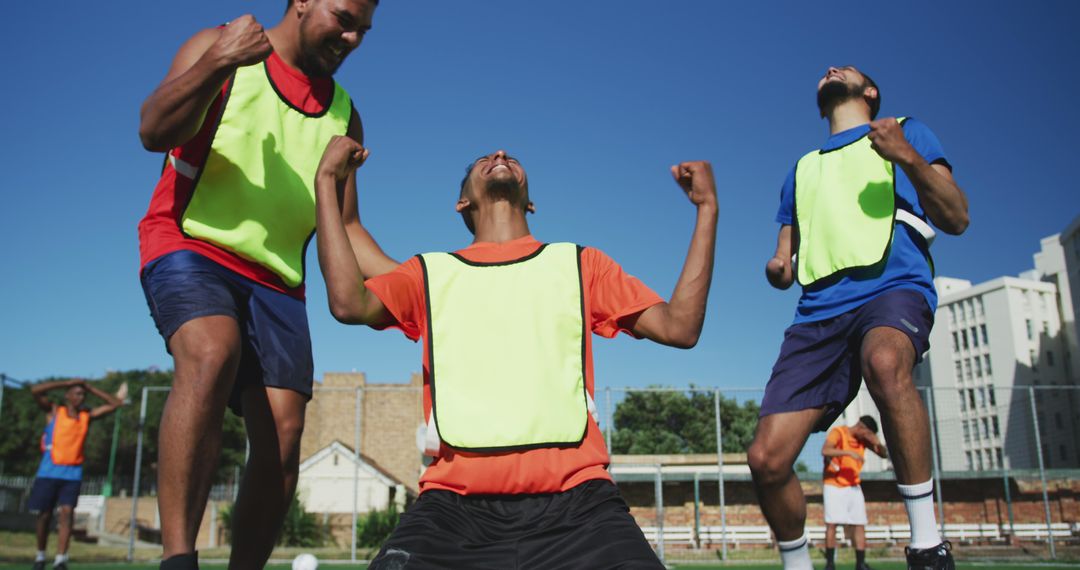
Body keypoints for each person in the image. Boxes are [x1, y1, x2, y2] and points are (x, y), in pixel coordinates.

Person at [313, 139, 718, 568]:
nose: (501, 154)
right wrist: (327, 180)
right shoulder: (428, 274)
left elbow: (680, 327)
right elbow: (347, 301)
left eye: (510, 158)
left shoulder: (580, 264)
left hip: (580, 507)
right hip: (452, 510)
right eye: (484, 159)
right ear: (462, 201)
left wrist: (707, 209)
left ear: (532, 203)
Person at [135, 1, 379, 567]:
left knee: (285, 432)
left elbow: (345, 227)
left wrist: (425, 284)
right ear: (301, 2)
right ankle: (179, 558)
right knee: (211, 351)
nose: (352, 37)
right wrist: (218, 62)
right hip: (189, 240)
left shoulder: (344, 113)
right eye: (343, 18)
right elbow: (152, 130)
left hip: (277, 281)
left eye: (363, 30)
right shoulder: (220, 44)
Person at [748, 65, 969, 570]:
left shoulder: (907, 130)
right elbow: (785, 255)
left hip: (892, 289)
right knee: (766, 458)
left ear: (870, 92)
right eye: (827, 70)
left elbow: (957, 216)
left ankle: (928, 544)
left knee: (886, 363)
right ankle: (798, 564)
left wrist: (906, 156)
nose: (830, 69)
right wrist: (779, 268)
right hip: (818, 314)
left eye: (844, 69)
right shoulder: (802, 169)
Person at [28, 379, 126, 570]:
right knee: (44, 515)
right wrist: (67, 382)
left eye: (83, 394)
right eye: (77, 393)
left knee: (67, 513)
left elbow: (116, 404)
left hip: (72, 474)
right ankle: (40, 556)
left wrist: (91, 387)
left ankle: (60, 559)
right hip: (48, 473)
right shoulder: (54, 412)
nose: (81, 397)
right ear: (68, 395)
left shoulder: (86, 415)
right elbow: (35, 390)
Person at [822, 415, 887, 570]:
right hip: (834, 485)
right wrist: (848, 453)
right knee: (832, 523)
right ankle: (830, 564)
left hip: (853, 486)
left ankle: (860, 563)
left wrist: (877, 442)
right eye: (868, 434)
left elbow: (883, 454)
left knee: (859, 524)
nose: (868, 438)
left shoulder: (863, 440)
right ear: (861, 427)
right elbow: (825, 450)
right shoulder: (838, 432)